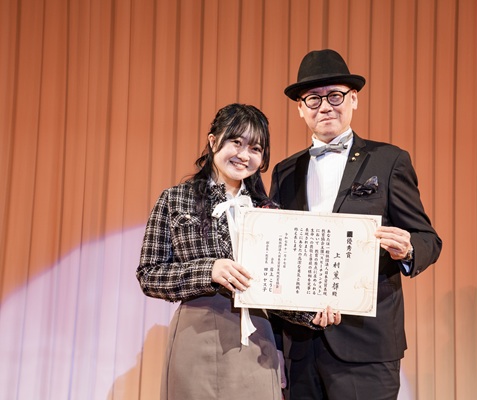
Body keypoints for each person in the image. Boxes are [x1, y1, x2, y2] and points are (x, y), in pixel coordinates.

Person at [136, 103, 341, 400]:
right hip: (195, 337)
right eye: (236, 142)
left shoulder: (268, 211)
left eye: (255, 148)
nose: (244, 155)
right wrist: (209, 270)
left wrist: (314, 313)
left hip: (256, 341)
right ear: (213, 141)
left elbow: (279, 291)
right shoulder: (175, 199)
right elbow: (149, 275)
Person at [270, 49, 443, 400]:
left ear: (354, 100)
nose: (325, 107)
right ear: (300, 108)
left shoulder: (388, 160)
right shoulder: (285, 172)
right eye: (313, 98)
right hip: (300, 346)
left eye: (335, 96)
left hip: (367, 345)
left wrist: (408, 248)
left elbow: (428, 239)